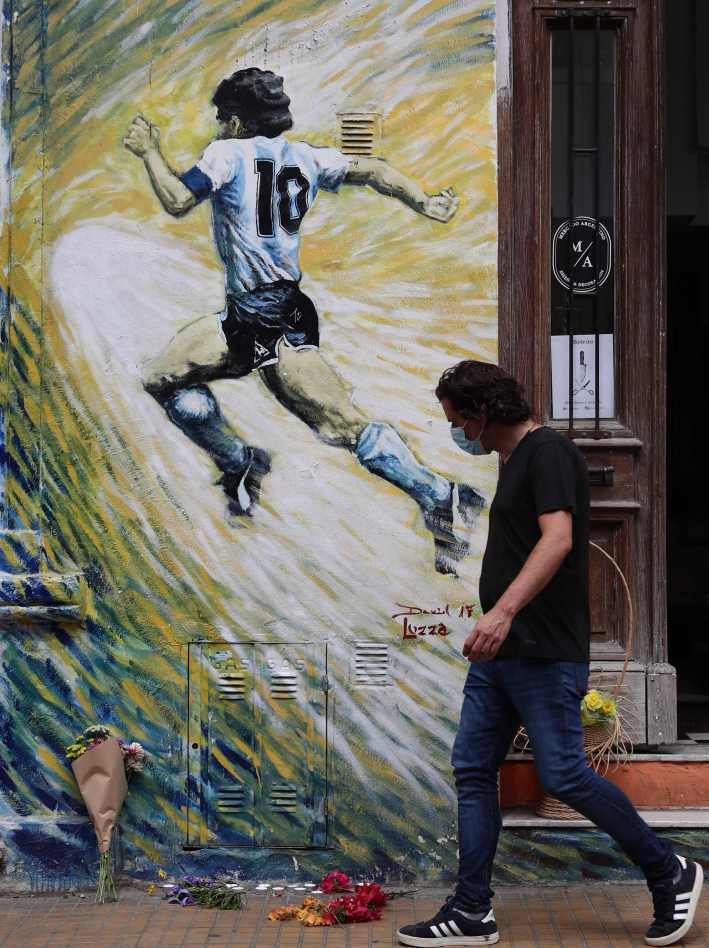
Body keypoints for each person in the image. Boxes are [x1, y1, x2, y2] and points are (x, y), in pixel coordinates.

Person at [123, 68, 484, 574]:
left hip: (267, 316)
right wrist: (422, 201)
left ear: (234, 121)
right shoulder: (306, 156)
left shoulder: (227, 153)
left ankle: (440, 495)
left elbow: (179, 199)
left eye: (222, 118)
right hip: (256, 312)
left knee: (341, 425)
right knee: (162, 375)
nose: (218, 126)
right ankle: (238, 460)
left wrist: (149, 153)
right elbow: (374, 169)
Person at [397, 360, 703, 948]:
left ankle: (669, 871)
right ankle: (470, 911)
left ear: (482, 414)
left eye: (458, 421)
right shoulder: (515, 462)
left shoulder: (548, 453)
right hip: (502, 653)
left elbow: (558, 539)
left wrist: (503, 611)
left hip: (540, 648)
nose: (459, 433)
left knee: (563, 772)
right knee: (472, 769)